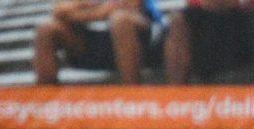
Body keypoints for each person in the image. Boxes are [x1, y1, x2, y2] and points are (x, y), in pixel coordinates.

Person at [33, 0, 162, 85]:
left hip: (137, 41)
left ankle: (133, 96)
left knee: (120, 19)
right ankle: (45, 100)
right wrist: (99, 10)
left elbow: (127, 6)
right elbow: (59, 11)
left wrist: (81, 9)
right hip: (92, 44)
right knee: (46, 28)